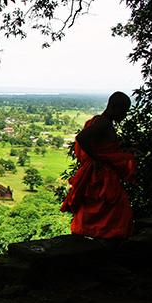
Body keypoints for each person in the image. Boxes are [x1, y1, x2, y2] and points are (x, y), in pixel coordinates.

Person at [61, 91, 137, 239]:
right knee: (111, 206)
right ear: (115, 108)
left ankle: (97, 236)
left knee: (102, 206)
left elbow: (104, 146)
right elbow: (82, 138)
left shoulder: (101, 121)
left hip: (102, 172)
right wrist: (97, 158)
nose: (125, 115)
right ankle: (101, 236)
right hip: (100, 173)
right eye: (124, 111)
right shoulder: (103, 122)